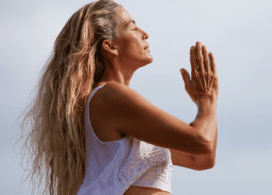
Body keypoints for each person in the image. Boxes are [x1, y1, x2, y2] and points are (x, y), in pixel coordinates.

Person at [15, 0, 219, 194]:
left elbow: (201, 159)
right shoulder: (110, 96)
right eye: (132, 27)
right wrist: (207, 100)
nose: (144, 34)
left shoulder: (116, 105)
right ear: (110, 46)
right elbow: (201, 142)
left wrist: (207, 101)